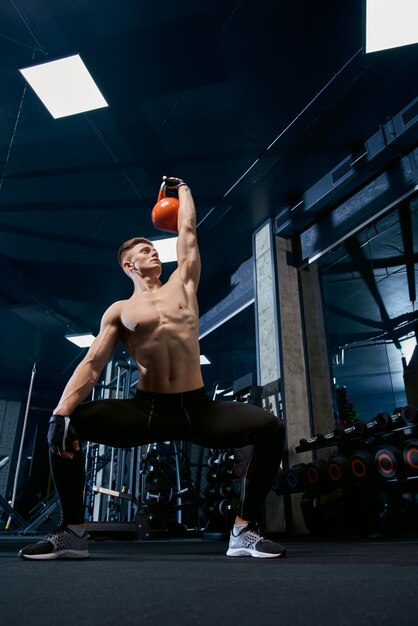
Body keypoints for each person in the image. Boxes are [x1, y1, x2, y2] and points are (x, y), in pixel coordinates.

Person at [19, 177, 286, 560]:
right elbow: (93, 363)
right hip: (146, 410)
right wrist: (60, 413)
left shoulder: (184, 284)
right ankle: (72, 532)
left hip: (197, 410)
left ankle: (244, 530)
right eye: (146, 250)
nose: (154, 253)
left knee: (270, 428)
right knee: (66, 426)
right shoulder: (120, 311)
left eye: (154, 247)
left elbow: (188, 232)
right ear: (129, 264)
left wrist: (185, 192)